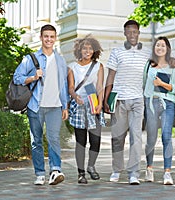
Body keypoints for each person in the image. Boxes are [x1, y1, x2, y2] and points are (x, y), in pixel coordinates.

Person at [13, 24, 68, 185]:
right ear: (41, 38)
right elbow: (17, 77)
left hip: (55, 106)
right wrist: (32, 77)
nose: (49, 39)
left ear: (55, 38)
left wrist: (65, 106)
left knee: (54, 139)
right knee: (36, 140)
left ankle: (55, 170)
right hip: (35, 105)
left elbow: (63, 84)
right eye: (46, 36)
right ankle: (39, 173)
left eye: (52, 36)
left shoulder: (60, 60)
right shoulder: (30, 59)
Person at [104, 20, 150, 185]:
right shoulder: (116, 52)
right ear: (124, 33)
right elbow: (110, 76)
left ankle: (133, 173)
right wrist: (106, 99)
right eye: (128, 32)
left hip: (138, 99)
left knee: (136, 137)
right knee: (117, 137)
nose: (132, 34)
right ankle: (116, 170)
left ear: (138, 33)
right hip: (119, 100)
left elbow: (153, 74)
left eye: (134, 31)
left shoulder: (147, 53)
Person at [143, 36, 175, 185]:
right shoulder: (149, 65)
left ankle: (167, 172)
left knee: (166, 137)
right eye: (157, 45)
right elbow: (144, 84)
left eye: (163, 46)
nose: (160, 48)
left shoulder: (173, 65)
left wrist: (162, 84)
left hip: (168, 103)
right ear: (154, 48)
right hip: (151, 102)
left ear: (167, 49)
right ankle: (149, 168)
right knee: (151, 137)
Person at [68, 35, 105, 184]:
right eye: (85, 48)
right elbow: (70, 87)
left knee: (95, 141)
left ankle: (91, 166)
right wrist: (75, 96)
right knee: (80, 142)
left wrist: (100, 104)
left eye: (90, 48)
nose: (87, 50)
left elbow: (100, 87)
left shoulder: (98, 66)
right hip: (79, 106)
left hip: (94, 105)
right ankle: (81, 173)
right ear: (80, 50)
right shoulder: (72, 66)